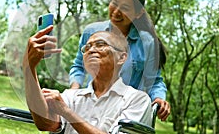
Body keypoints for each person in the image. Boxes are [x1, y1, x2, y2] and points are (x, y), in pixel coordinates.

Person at [69, 0, 170, 121]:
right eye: (114, 3)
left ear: (138, 13)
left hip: (127, 111)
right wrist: (74, 91)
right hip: (93, 105)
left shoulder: (147, 42)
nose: (116, 11)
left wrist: (159, 98)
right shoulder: (91, 32)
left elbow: (154, 80)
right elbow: (78, 66)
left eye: (125, 8)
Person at [23, 28, 153, 134]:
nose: (90, 50)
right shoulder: (71, 96)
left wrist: (66, 112)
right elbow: (45, 124)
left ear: (121, 57)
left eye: (100, 45)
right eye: (87, 48)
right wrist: (29, 68)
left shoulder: (137, 99)